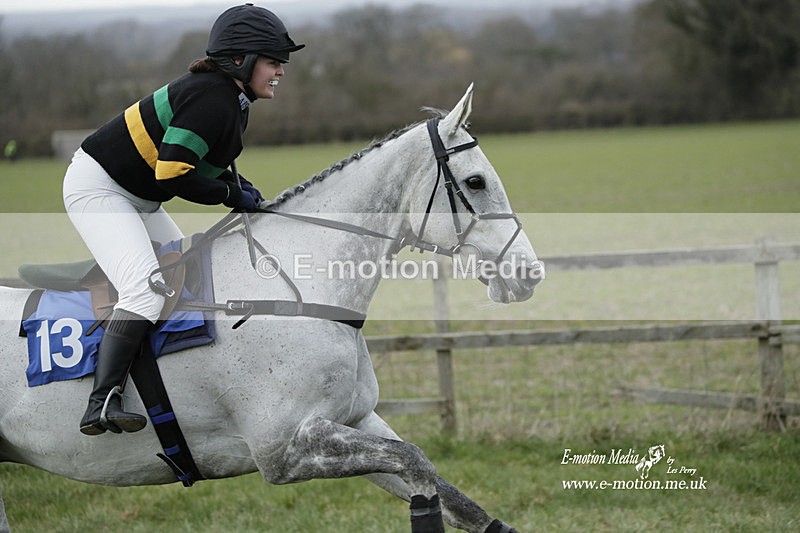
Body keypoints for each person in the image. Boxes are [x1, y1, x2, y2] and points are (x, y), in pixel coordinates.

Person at [63, 3, 304, 436]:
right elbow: (172, 173)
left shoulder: (230, 98)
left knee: (185, 277)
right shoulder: (214, 99)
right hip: (100, 189)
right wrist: (231, 196)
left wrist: (242, 190)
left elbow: (206, 164)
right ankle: (100, 403)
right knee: (145, 289)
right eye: (273, 62)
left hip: (140, 196)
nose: (280, 71)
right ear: (240, 60)